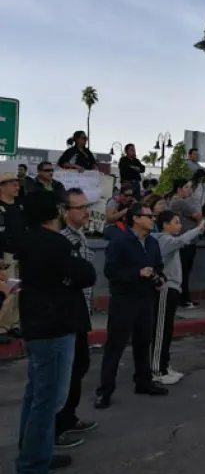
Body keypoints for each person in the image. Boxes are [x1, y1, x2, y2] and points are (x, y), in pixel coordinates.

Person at [15, 191, 97, 474]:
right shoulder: (53, 243)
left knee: (36, 395)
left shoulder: (30, 240)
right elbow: (86, 273)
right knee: (47, 400)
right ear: (58, 212)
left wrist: (70, 276)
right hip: (55, 326)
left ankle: (35, 453)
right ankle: (32, 467)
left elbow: (75, 274)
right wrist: (71, 275)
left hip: (40, 324)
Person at [95, 202, 168, 409]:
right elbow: (111, 271)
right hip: (124, 300)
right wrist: (137, 273)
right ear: (135, 218)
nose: (152, 220)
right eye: (148, 216)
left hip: (147, 299)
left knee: (144, 342)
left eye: (153, 216)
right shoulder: (120, 242)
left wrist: (159, 278)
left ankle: (143, 381)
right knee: (115, 346)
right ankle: (105, 391)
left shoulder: (152, 243)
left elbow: (159, 266)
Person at [55, 189, 98, 449]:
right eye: (80, 207)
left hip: (82, 312)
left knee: (80, 365)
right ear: (65, 211)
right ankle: (57, 425)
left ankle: (69, 416)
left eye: (87, 206)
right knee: (66, 371)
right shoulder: (62, 240)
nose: (86, 211)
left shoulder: (81, 236)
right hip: (67, 313)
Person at [152, 210, 205, 384]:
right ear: (165, 225)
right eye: (175, 222)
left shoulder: (166, 241)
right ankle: (157, 370)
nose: (179, 225)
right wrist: (198, 229)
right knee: (161, 330)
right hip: (165, 289)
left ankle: (163, 365)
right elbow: (181, 240)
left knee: (166, 330)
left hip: (172, 288)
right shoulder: (163, 240)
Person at [169, 178, 203, 309]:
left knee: (184, 271)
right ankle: (183, 299)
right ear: (179, 189)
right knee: (183, 271)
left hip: (186, 240)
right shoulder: (180, 202)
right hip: (185, 241)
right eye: (187, 187)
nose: (189, 190)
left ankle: (184, 297)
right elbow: (198, 215)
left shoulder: (178, 201)